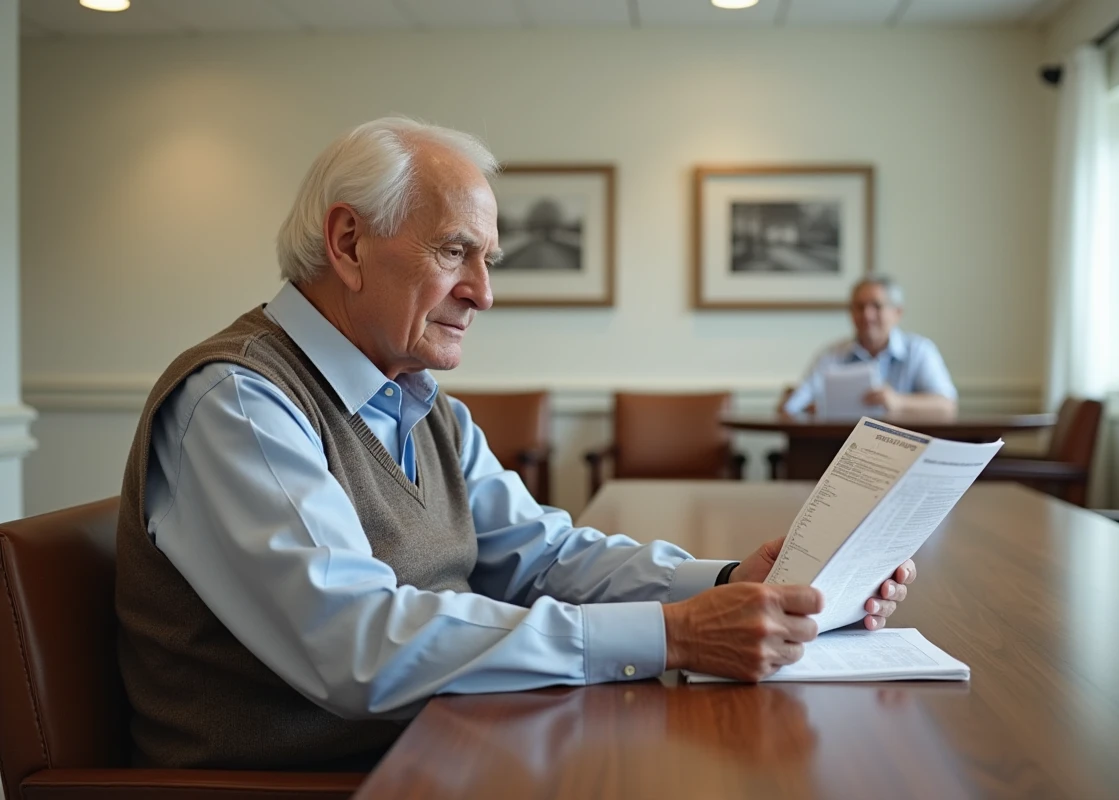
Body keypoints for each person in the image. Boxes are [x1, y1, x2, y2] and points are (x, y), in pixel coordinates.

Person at [114, 117, 917, 771]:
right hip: (317, 783)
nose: (484, 293)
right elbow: (355, 647)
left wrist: (727, 579)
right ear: (349, 243)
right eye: (454, 251)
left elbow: (541, 557)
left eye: (487, 259)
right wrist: (673, 634)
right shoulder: (240, 402)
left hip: (433, 749)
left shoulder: (422, 405)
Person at [779, 276, 957, 418]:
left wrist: (898, 402)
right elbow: (793, 404)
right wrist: (800, 403)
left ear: (898, 312)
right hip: (841, 450)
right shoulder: (832, 354)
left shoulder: (919, 350)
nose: (867, 315)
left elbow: (947, 406)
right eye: (859, 307)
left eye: (876, 306)